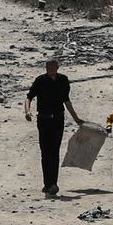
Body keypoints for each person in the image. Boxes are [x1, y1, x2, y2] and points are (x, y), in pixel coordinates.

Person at [24, 59, 85, 196]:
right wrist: (27, 111)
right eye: (47, 67)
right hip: (43, 119)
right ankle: (47, 184)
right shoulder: (40, 80)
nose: (49, 69)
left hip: (58, 119)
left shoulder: (63, 80)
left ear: (57, 67)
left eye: (52, 67)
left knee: (55, 151)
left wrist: (76, 118)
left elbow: (66, 100)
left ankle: (53, 183)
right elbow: (29, 97)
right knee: (45, 152)